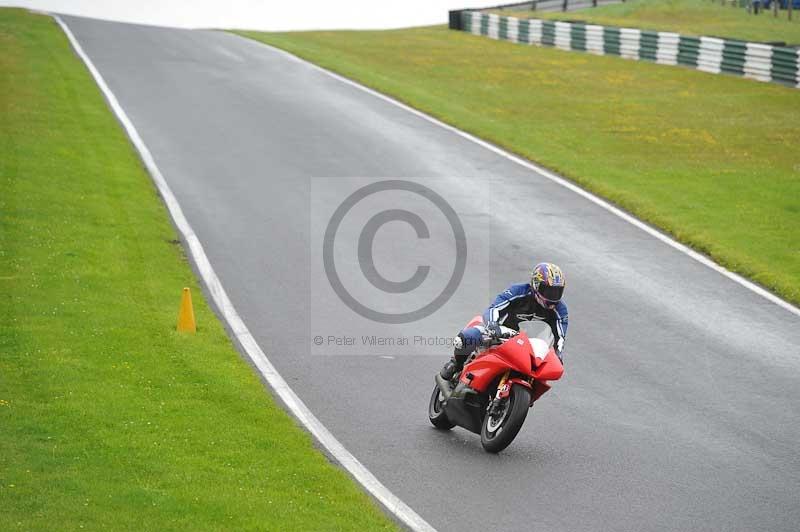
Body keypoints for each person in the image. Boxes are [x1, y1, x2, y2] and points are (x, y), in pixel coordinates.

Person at [440, 262, 569, 380]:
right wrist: (492, 325)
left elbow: (560, 336)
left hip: (527, 344)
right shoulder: (517, 291)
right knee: (467, 338)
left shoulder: (560, 309)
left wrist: (558, 353)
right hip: (500, 332)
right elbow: (494, 308)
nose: (553, 297)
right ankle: (456, 364)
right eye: (548, 291)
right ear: (536, 285)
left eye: (557, 292)